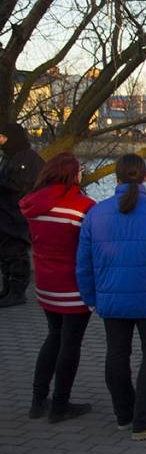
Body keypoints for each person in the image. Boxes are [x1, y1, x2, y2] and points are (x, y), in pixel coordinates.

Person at [77, 154, 146, 440]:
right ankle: (145, 420)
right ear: (145, 177)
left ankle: (124, 414)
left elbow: (84, 262)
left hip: (112, 301)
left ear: (115, 177)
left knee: (116, 355)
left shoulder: (96, 213)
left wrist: (90, 296)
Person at [20, 153, 96, 422]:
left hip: (45, 283)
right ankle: (60, 405)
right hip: (74, 286)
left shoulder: (32, 205)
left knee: (53, 336)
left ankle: (38, 400)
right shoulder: (83, 207)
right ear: (72, 175)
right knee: (70, 343)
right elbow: (91, 248)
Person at [0, 122, 45, 307]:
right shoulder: (9, 157)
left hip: (17, 215)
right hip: (6, 213)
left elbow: (23, 186)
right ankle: (8, 288)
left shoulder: (29, 159)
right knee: (5, 252)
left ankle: (18, 292)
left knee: (16, 251)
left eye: (3, 136)